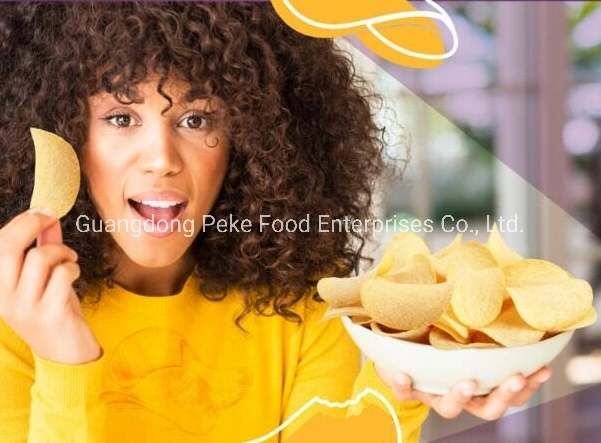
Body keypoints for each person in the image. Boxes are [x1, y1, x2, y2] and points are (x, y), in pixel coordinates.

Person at [0, 3, 551, 442]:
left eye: (196, 118)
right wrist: (62, 358)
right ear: (66, 137)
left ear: (252, 139)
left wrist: (402, 388)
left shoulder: (297, 298)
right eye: (121, 118)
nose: (161, 158)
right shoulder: (13, 318)